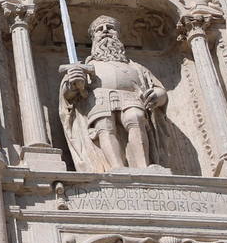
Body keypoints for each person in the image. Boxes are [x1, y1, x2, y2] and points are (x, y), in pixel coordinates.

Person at [59, 14, 167, 171]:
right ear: (93, 37)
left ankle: (144, 166)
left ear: (118, 34)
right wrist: (74, 84)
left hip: (132, 98)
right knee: (104, 126)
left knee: (135, 118)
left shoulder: (136, 67)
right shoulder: (88, 66)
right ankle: (116, 167)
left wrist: (158, 95)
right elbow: (68, 97)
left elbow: (157, 87)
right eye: (99, 30)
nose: (105, 31)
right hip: (100, 99)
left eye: (110, 28)